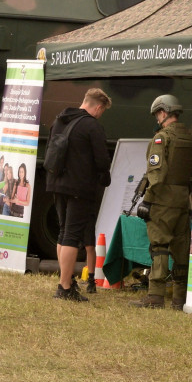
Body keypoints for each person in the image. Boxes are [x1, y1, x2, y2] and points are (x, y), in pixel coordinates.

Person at [45, 88, 112, 301]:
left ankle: (65, 282)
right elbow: (102, 161)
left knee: (63, 232)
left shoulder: (59, 121)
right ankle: (64, 287)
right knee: (72, 236)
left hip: (56, 184)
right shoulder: (92, 126)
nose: (100, 115)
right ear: (98, 107)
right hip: (79, 188)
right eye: (102, 111)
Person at [134, 94, 192, 309]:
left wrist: (147, 201)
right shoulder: (190, 137)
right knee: (181, 250)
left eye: (157, 115)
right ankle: (179, 299)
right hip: (183, 201)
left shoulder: (162, 139)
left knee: (159, 247)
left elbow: (156, 174)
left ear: (163, 112)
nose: (157, 119)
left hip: (163, 201)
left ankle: (155, 296)